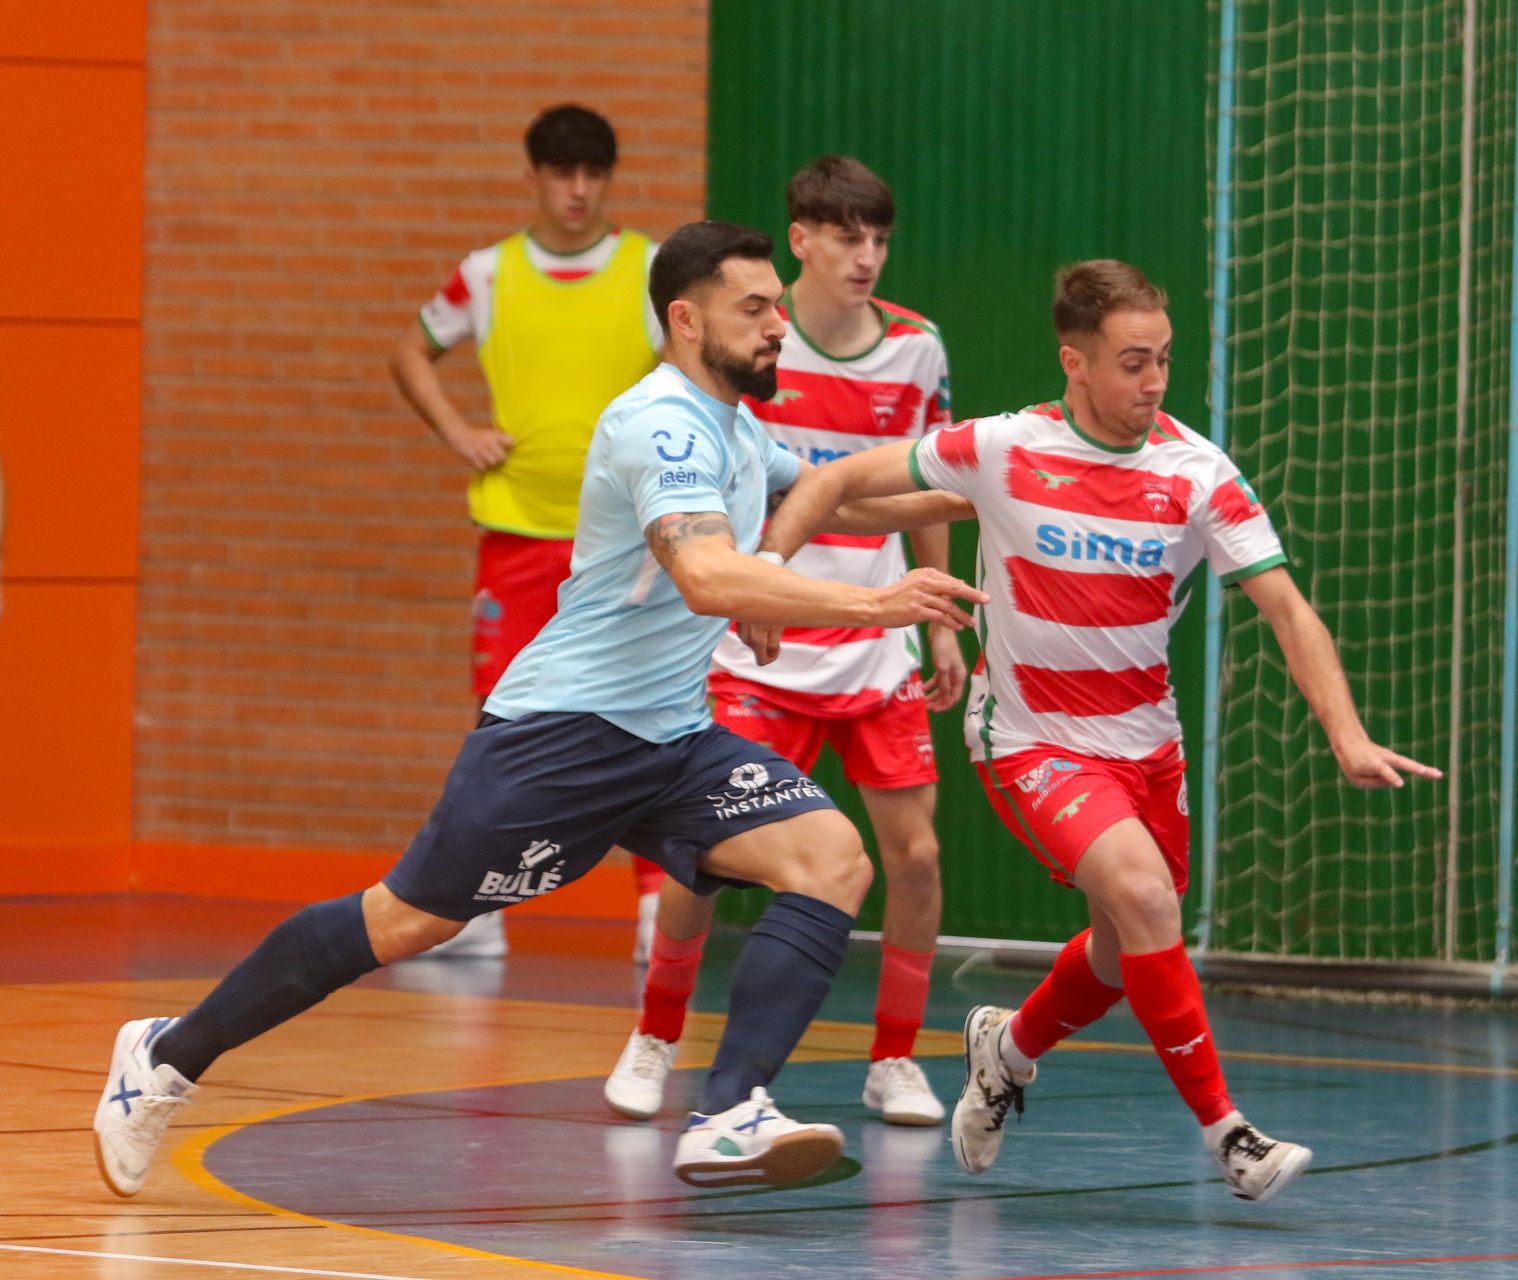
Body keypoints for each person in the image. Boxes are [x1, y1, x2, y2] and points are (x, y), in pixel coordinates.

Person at [91, 220, 984, 1199]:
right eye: (755, 307)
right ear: (687, 321)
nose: (778, 325)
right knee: (405, 922)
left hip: (672, 741)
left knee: (831, 858)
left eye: (777, 305)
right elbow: (703, 574)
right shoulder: (661, 424)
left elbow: (832, 497)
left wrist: (982, 491)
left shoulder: (735, 426)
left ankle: (728, 1113)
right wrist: (874, 603)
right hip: (563, 737)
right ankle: (168, 1052)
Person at [754, 259, 1442, 1204]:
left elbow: (1287, 609)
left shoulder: (1197, 471)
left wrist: (1347, 734)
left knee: (1124, 951)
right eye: (1132, 362)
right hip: (1032, 743)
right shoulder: (1001, 448)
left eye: (1164, 359)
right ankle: (1228, 1135)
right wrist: (765, 578)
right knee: (1148, 903)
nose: (1154, 381)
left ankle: (1008, 1048)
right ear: (1074, 362)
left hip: (1148, 748)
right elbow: (837, 481)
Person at [603, 157, 962, 1129]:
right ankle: (656, 1033)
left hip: (874, 640)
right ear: (800, 239)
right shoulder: (751, 344)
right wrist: (747, 579)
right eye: (847, 236)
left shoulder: (918, 349)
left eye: (879, 238)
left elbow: (926, 483)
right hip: (760, 642)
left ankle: (894, 1057)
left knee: (915, 855)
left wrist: (936, 623)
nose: (867, 255)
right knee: (705, 859)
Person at [389, 103, 669, 959]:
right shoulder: (486, 274)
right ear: (534, 177)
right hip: (514, 535)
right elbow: (410, 352)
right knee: (500, 722)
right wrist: (458, 432)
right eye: (561, 173)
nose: (578, 190)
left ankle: (655, 908)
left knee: (644, 714)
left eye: (594, 174)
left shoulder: (651, 270)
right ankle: (473, 908)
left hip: (624, 546)